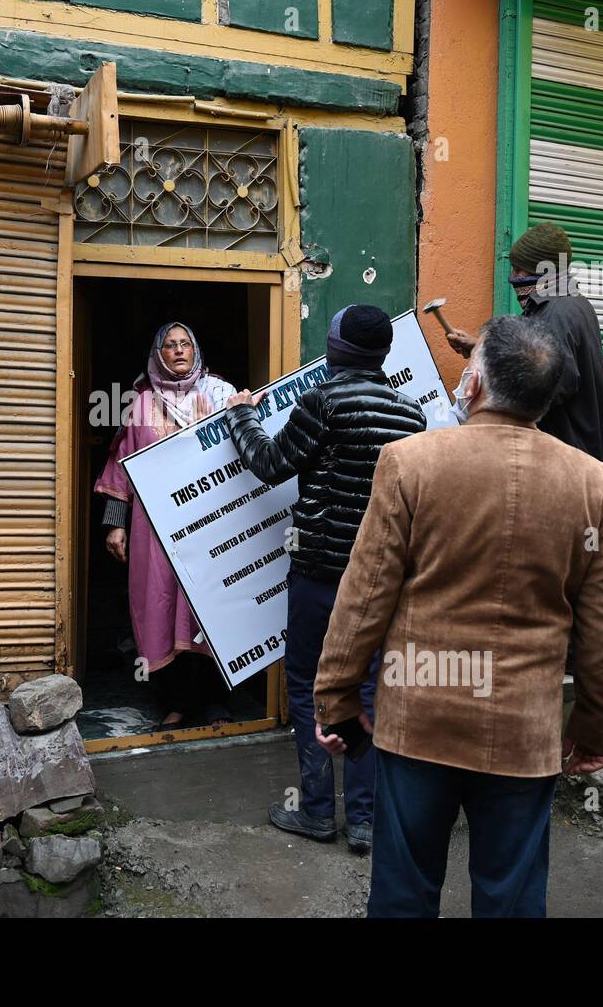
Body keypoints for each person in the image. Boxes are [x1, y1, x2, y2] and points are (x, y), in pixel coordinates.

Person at [315, 316, 603, 917]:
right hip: (522, 730)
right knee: (510, 899)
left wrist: (335, 698)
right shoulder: (595, 485)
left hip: (419, 720)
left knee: (404, 896)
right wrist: (595, 730)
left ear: (478, 383)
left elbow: (364, 596)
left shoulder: (410, 462)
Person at [225, 305, 425, 855]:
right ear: (382, 354)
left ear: (335, 350)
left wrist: (241, 414)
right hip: (380, 579)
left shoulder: (324, 401)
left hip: (318, 571)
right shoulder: (411, 416)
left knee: (310, 683)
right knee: (365, 688)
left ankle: (316, 811)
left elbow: (270, 463)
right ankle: (363, 820)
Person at [444, 221, 603, 609]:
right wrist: (483, 348)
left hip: (569, 452)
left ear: (544, 271)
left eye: (520, 271)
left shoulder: (556, 313)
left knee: (568, 563)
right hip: (580, 450)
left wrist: (493, 406)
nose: (514, 279)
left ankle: (568, 648)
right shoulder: (571, 304)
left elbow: (553, 380)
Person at [94, 322, 237, 731]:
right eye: (170, 345)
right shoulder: (141, 404)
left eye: (185, 344)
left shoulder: (217, 394)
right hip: (154, 529)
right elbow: (120, 466)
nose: (178, 351)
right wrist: (115, 525)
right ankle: (176, 704)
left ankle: (213, 703)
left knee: (207, 610)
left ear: (196, 351)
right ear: (159, 353)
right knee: (158, 608)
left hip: (209, 522)